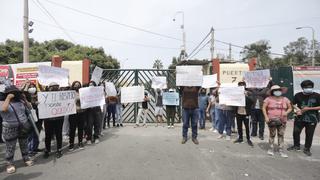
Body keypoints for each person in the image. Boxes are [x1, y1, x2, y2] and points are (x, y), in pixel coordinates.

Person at [0, 85, 34, 174]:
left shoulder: (20, 101)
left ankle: (26, 158)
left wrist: (25, 99)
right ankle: (9, 163)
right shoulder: (2, 101)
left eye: (16, 93)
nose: (14, 94)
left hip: (23, 126)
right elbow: (3, 109)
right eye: (12, 93)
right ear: (7, 94)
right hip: (9, 127)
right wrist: (8, 98)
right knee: (10, 146)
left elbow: (30, 107)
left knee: (24, 143)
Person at [287, 80, 320, 156]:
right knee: (296, 132)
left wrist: (308, 109)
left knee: (309, 134)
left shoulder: (317, 96)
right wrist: (297, 109)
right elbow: (292, 103)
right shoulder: (298, 95)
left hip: (312, 118)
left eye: (310, 87)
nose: (309, 88)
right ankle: (296, 146)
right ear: (302, 88)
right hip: (299, 118)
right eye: (307, 87)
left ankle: (307, 148)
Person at [262, 85, 292, 158]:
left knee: (281, 135)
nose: (277, 91)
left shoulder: (285, 99)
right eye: (275, 90)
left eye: (278, 90)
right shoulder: (268, 99)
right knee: (272, 134)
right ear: (272, 92)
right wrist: (266, 117)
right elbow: (263, 108)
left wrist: (286, 112)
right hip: (271, 120)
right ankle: (271, 148)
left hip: (282, 120)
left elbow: (290, 108)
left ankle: (281, 150)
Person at [43, 82, 64, 159]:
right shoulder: (44, 95)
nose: (54, 88)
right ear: (49, 87)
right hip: (48, 119)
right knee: (48, 135)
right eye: (52, 87)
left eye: (56, 86)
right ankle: (47, 150)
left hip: (59, 118)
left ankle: (59, 149)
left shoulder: (62, 95)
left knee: (59, 134)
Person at [25, 83, 43, 156]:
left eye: (33, 87)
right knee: (30, 134)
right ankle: (29, 150)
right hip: (30, 117)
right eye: (30, 87)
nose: (32, 88)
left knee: (37, 133)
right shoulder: (26, 96)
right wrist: (26, 85)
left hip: (39, 116)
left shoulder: (39, 95)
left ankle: (35, 148)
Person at [234, 81, 254, 147]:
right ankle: (240, 138)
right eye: (240, 86)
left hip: (246, 113)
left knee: (247, 127)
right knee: (239, 126)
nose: (241, 87)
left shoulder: (249, 93)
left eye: (242, 85)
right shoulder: (236, 93)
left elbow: (252, 101)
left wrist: (246, 95)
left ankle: (249, 139)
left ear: (245, 86)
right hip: (238, 112)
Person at [68, 81, 86, 151]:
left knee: (80, 129)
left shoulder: (82, 92)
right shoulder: (70, 93)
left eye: (78, 85)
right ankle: (71, 143)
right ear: (73, 86)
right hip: (73, 113)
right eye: (75, 85)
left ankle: (80, 142)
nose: (77, 86)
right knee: (72, 129)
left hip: (81, 113)